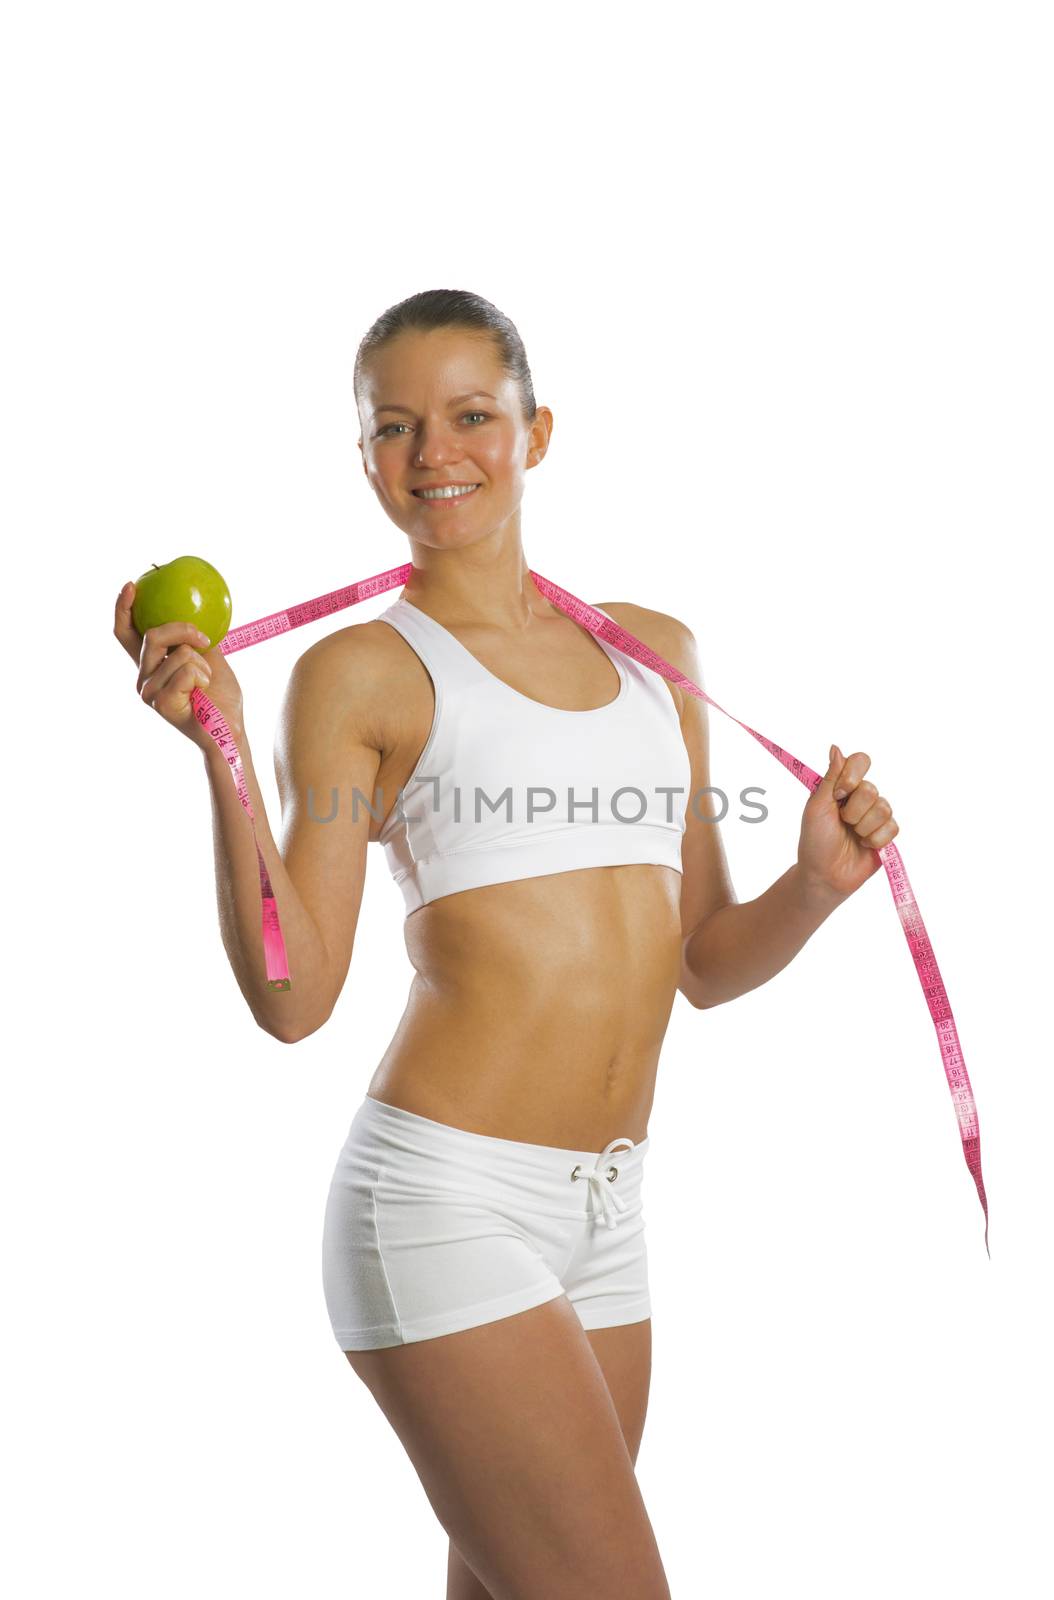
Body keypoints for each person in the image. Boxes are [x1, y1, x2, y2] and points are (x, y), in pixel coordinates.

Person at [113, 288, 899, 1600]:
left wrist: (812, 887)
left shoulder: (658, 654)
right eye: (396, 428)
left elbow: (702, 958)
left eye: (472, 415)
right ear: (364, 458)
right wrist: (226, 753)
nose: (436, 454)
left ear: (538, 433)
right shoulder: (361, 672)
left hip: (608, 1216)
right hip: (440, 1204)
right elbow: (295, 993)